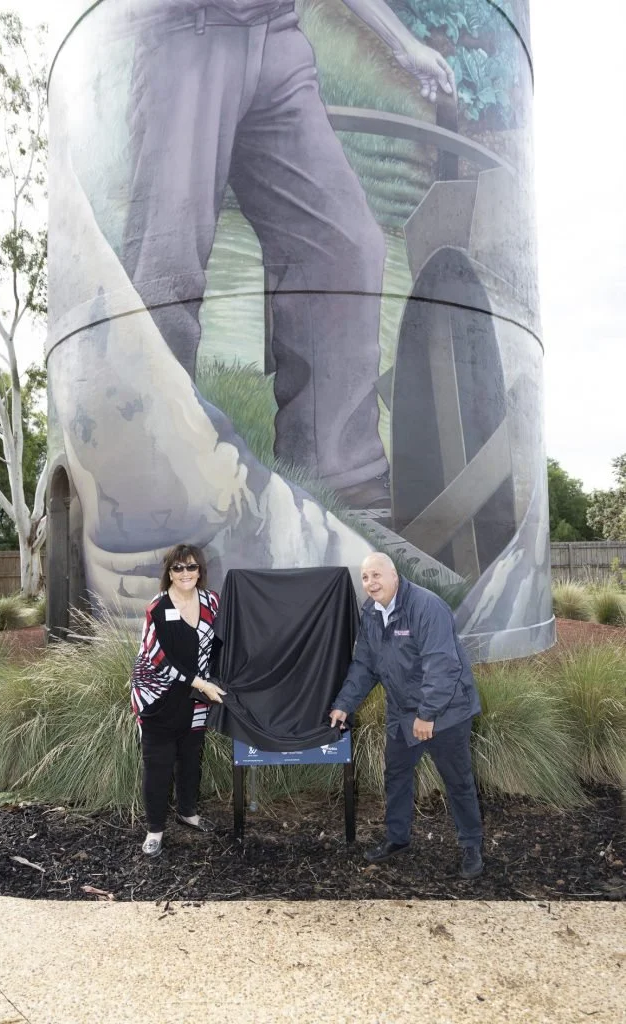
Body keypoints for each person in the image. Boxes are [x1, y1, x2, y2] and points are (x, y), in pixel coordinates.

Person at [119, 0, 456, 523]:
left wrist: (403, 44)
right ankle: (152, 469)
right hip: (185, 31)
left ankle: (337, 470)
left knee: (346, 249)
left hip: (277, 35)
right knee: (167, 263)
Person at [329, 552, 484, 878]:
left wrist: (428, 715)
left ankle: (472, 846)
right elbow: (365, 665)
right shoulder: (371, 612)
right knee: (396, 777)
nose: (371, 583)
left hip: (446, 712)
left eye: (376, 575)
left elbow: (442, 665)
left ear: (394, 575)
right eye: (366, 578)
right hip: (401, 713)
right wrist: (345, 703)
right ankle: (397, 839)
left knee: (458, 782)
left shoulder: (426, 607)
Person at [130, 544, 226, 856]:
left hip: (197, 698)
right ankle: (154, 829)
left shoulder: (212, 601)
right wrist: (200, 682)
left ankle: (188, 813)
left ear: (200, 570)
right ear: (169, 572)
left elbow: (223, 642)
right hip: (158, 697)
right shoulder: (157, 607)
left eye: (192, 567)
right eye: (178, 568)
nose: (186, 573)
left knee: (190, 758)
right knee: (158, 764)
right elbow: (155, 657)